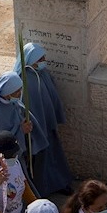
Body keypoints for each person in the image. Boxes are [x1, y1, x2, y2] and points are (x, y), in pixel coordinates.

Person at [13, 43, 75, 197]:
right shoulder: (24, 81)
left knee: (53, 157)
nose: (43, 61)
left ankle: (59, 183)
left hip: (47, 126)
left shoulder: (42, 74)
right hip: (36, 130)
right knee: (40, 163)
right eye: (40, 58)